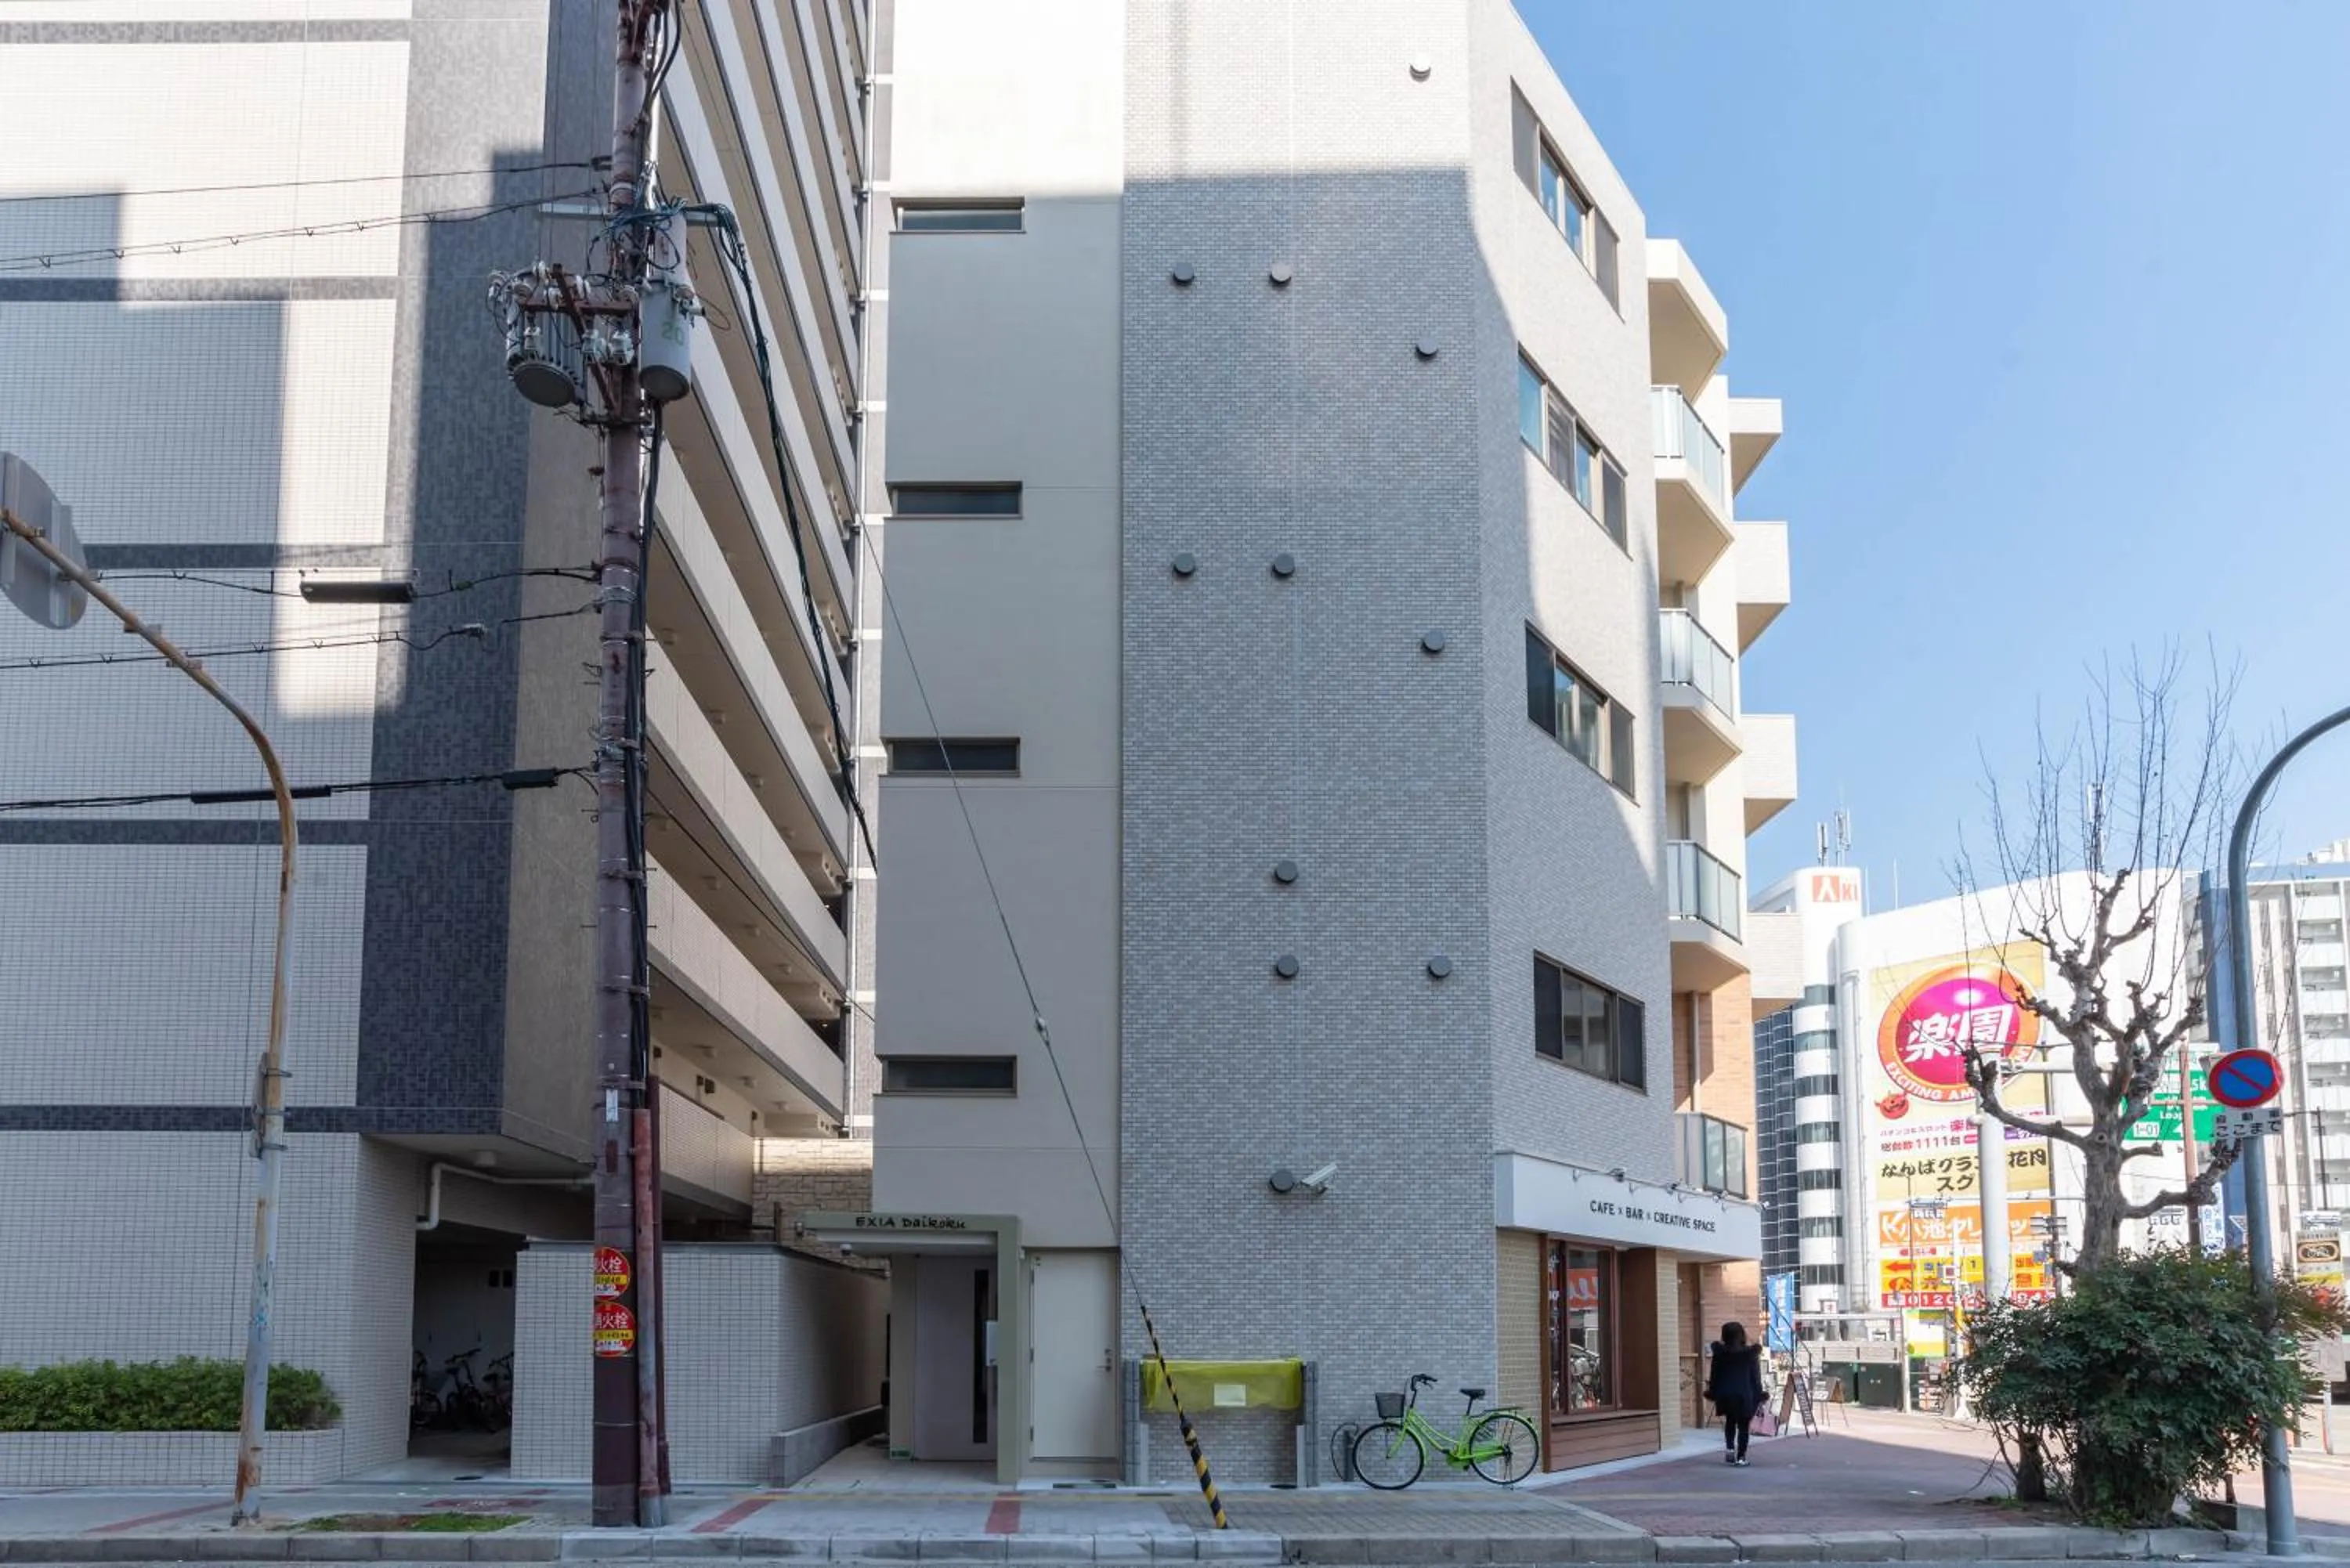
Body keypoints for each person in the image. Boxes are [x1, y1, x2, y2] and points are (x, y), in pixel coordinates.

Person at [1705, 1321, 1766, 1466]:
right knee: (1744, 1426)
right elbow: (1755, 1377)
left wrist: (1713, 1391)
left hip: (1725, 1393)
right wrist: (1760, 1394)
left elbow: (1715, 1375)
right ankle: (1741, 1458)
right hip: (1745, 1394)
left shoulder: (1720, 1353)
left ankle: (1730, 1449)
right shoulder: (1750, 1354)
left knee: (1730, 1422)